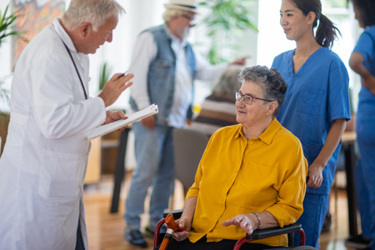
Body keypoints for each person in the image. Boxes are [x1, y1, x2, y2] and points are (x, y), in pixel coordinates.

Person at [0, 0, 133, 249]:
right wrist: (103, 100)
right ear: (84, 29)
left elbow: (68, 110)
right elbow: (55, 123)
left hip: (58, 178)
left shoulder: (74, 50)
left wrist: (102, 118)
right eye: (107, 32)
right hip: (36, 183)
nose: (110, 40)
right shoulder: (50, 55)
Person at [124, 0, 246, 247]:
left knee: (167, 176)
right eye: (189, 18)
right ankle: (132, 226)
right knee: (145, 173)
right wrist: (145, 110)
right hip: (152, 120)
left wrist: (231, 66)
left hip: (176, 122)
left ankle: (155, 223)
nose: (192, 24)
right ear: (175, 16)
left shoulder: (187, 47)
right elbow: (135, 75)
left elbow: (205, 72)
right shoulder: (151, 37)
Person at [158, 65, 308, 249]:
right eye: (240, 95)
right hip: (201, 235)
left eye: (249, 99)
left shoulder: (289, 147)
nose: (239, 103)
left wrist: (255, 219)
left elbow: (290, 207)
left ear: (271, 107)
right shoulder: (220, 137)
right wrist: (187, 219)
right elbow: (197, 188)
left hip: (249, 240)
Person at [271, 0, 351, 247]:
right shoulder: (278, 61)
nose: (283, 21)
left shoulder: (332, 64)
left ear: (309, 17)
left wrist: (319, 164)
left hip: (310, 173)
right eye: (281, 14)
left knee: (302, 242)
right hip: (276, 168)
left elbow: (339, 121)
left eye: (289, 14)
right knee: (273, 240)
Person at [347, 1, 375, 249]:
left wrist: (369, 80)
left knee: (371, 180)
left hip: (371, 118)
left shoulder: (371, 33)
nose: (354, 15)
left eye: (355, 8)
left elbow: (355, 61)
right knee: (361, 172)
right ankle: (368, 233)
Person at [189, 65, 243, 136]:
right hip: (214, 145)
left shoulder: (209, 99)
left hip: (194, 144)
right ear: (240, 83)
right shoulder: (236, 104)